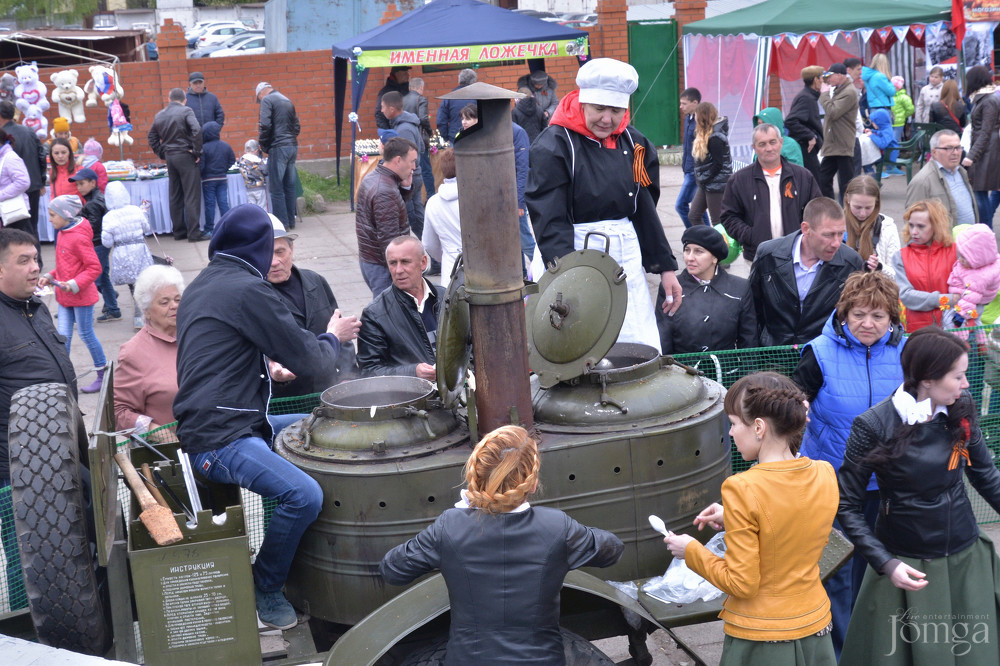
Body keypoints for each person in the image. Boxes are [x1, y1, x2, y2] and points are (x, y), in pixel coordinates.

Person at [173, 203, 348, 630]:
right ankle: (266, 584)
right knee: (304, 495)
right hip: (220, 438)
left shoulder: (206, 281)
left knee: (320, 423)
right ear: (258, 247)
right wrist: (333, 337)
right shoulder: (248, 289)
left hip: (234, 422)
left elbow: (223, 352)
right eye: (270, 248)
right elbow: (312, 362)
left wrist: (261, 368)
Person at [380, 425, 624, 665]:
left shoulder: (449, 526)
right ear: (532, 482)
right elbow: (612, 550)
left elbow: (392, 570)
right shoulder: (557, 526)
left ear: (475, 476)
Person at [837, 327, 1000, 665]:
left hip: (966, 556)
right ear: (927, 378)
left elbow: (985, 474)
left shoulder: (962, 406)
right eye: (958, 376)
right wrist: (886, 563)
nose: (966, 384)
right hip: (906, 567)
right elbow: (847, 505)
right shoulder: (872, 425)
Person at [664, 372, 838, 666]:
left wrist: (691, 551)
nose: (731, 433)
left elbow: (741, 583)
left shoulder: (742, 487)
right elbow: (790, 526)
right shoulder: (824, 473)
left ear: (759, 427)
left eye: (733, 424)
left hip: (762, 636)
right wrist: (734, 518)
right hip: (814, 623)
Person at [526, 58, 681, 352]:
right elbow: (549, 218)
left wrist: (666, 268)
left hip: (625, 254)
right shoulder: (554, 145)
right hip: (574, 250)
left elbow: (644, 207)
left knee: (635, 338)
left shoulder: (634, 144)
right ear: (583, 103)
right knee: (581, 337)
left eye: (616, 110)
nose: (607, 119)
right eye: (599, 109)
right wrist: (567, 278)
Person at [792, 271, 905, 657]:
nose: (867, 324)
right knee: (836, 573)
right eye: (858, 314)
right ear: (843, 314)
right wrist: (798, 411)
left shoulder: (906, 352)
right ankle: (838, 654)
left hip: (885, 485)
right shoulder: (819, 352)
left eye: (878, 316)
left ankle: (870, 648)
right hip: (831, 483)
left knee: (876, 572)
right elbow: (796, 401)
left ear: (893, 318)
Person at [0, 227, 77, 612]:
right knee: (27, 559)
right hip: (16, 472)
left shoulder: (36, 306)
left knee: (69, 549)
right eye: (23, 261)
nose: (36, 269)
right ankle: (22, 634)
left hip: (61, 456)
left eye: (36, 259)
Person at [266, 215, 360, 399]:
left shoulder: (314, 281)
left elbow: (340, 334)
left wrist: (348, 376)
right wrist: (271, 371)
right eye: (266, 253)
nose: (274, 261)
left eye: (280, 252)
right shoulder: (256, 296)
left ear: (291, 249)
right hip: (288, 399)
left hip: (329, 392)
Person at [749, 197, 865, 346]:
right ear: (806, 229)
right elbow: (751, 310)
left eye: (841, 233)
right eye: (828, 235)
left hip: (821, 355)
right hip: (772, 355)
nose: (836, 243)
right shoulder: (768, 254)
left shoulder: (851, 262)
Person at [721, 123, 821, 261]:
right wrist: (751, 236)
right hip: (757, 257)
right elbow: (729, 216)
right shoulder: (739, 180)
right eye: (762, 144)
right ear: (754, 148)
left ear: (781, 143)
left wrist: (803, 237)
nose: (768, 148)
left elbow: (817, 211)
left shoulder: (802, 177)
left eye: (772, 142)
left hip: (797, 254)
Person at [38, 195, 106, 394]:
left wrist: (74, 284)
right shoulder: (62, 232)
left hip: (81, 297)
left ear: (65, 215)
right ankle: (64, 378)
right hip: (64, 297)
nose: (49, 219)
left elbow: (95, 267)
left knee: (86, 334)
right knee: (63, 337)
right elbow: (65, 266)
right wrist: (49, 276)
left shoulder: (78, 237)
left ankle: (103, 374)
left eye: (52, 215)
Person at [654, 224, 757, 354]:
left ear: (715, 258)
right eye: (687, 250)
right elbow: (663, 337)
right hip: (682, 371)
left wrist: (747, 374)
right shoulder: (671, 287)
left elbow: (749, 341)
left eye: (699, 251)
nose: (690, 257)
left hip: (727, 372)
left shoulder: (740, 288)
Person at [459, 103, 534, 274]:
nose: (464, 122)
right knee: (507, 241)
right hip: (491, 197)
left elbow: (522, 169)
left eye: (469, 117)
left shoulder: (516, 132)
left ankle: (544, 271)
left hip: (511, 196)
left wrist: (519, 202)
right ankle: (521, 274)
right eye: (463, 118)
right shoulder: (478, 133)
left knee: (524, 239)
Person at [357, 236, 441, 379]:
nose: (398, 270)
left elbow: (470, 347)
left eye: (405, 262)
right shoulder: (375, 314)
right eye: (392, 263)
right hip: (414, 397)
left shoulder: (445, 297)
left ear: (423, 262)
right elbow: (369, 371)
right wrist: (413, 372)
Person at [114, 265, 183, 435]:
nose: (173, 306)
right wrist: (154, 431)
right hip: (172, 451)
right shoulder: (134, 353)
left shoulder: (196, 336)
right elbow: (118, 412)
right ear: (147, 312)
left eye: (178, 299)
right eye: (164, 302)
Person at [355, 136, 417, 297]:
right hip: (381, 266)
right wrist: (399, 268)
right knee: (389, 316)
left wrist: (405, 188)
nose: (414, 167)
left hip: (371, 260)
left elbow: (392, 213)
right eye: (412, 161)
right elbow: (389, 238)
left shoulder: (375, 177)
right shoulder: (385, 191)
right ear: (398, 160)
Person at [892, 199, 958, 332]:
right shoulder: (900, 256)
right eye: (911, 225)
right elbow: (906, 296)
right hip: (918, 330)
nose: (914, 232)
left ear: (936, 226)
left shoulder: (956, 251)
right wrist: (947, 299)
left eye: (921, 226)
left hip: (954, 328)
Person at [148, 87, 204, 243]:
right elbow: (197, 129)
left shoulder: (160, 115)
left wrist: (162, 153)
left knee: (175, 195)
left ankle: (179, 232)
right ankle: (194, 233)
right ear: (184, 100)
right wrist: (197, 152)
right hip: (185, 155)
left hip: (170, 157)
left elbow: (151, 137)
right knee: (191, 195)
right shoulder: (186, 111)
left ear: (169, 99)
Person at [101, 181, 153, 330]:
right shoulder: (136, 210)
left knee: (133, 284)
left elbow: (106, 242)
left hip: (122, 252)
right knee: (142, 282)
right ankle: (141, 314)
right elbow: (147, 228)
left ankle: (140, 315)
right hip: (139, 249)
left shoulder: (108, 217)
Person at [69, 167, 118, 324]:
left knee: (94, 278)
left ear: (92, 183)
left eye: (82, 183)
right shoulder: (94, 199)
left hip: (97, 244)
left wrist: (78, 220)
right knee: (102, 277)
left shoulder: (93, 203)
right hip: (100, 243)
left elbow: (92, 227)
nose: (79, 187)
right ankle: (113, 308)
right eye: (77, 184)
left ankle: (78, 309)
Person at [0, 101, 46, 265]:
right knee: (31, 226)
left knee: (17, 229)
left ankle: (25, 261)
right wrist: (41, 181)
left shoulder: (5, 137)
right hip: (33, 186)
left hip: (15, 188)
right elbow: (42, 155)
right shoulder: (28, 130)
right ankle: (36, 260)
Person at [906, 129, 978, 226]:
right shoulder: (922, 181)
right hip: (943, 240)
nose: (955, 152)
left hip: (968, 239)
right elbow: (912, 224)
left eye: (958, 147)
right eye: (948, 148)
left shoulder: (962, 172)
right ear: (934, 152)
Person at [381, 91, 425, 245]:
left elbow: (411, 156)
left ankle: (434, 258)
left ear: (392, 109)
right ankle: (435, 257)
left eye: (383, 107)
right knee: (417, 217)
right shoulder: (405, 124)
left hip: (410, 177)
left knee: (415, 220)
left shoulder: (404, 129)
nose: (382, 110)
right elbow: (421, 148)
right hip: (412, 176)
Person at [256, 82, 301, 231]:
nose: (260, 101)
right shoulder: (287, 100)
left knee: (276, 188)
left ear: (261, 92)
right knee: (289, 186)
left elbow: (265, 125)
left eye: (258, 98)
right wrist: (290, 139)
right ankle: (291, 221)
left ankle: (282, 224)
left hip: (278, 147)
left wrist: (263, 144)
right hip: (292, 146)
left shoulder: (267, 100)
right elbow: (297, 127)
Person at [946, 223, 1000, 343]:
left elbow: (970, 297)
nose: (960, 259)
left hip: (968, 305)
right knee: (976, 321)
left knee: (952, 323)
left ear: (977, 257)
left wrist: (960, 315)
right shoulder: (987, 263)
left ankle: (962, 343)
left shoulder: (978, 276)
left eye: (964, 257)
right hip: (975, 304)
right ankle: (982, 342)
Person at [960, 66, 1000, 227]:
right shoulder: (985, 97)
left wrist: (971, 156)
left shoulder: (989, 99)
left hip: (987, 151)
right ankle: (984, 229)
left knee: (979, 193)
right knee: (980, 193)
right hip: (986, 150)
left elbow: (986, 132)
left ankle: (985, 230)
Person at [842, 175, 900, 277]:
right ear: (847, 199)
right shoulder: (836, 225)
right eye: (857, 207)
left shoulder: (888, 228)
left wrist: (880, 267)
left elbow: (897, 276)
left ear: (876, 203)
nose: (863, 213)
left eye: (868, 207)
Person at [819, 63, 860, 203]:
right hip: (834, 144)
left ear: (840, 75)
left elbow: (833, 112)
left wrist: (824, 94)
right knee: (823, 178)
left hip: (842, 143)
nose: (828, 79)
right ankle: (830, 207)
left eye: (830, 76)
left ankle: (848, 211)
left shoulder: (849, 92)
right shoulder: (840, 89)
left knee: (846, 183)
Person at [689, 102, 732, 227]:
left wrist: (703, 177)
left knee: (717, 222)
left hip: (717, 185)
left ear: (702, 117)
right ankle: (705, 242)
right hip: (707, 183)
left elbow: (718, 164)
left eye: (696, 115)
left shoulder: (715, 138)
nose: (695, 118)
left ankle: (722, 245)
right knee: (694, 215)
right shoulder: (704, 135)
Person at [422, 148, 462, 280]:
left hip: (451, 270)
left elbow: (428, 244)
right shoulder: (476, 198)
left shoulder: (433, 203)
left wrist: (446, 254)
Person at [675, 87, 708, 228]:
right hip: (688, 169)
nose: (680, 107)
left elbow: (704, 149)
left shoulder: (700, 121)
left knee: (681, 205)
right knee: (698, 208)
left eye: (684, 103)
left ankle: (695, 234)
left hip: (694, 172)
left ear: (695, 102)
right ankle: (709, 235)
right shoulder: (689, 118)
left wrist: (697, 170)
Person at [786, 66, 826, 181]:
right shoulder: (806, 98)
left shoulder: (809, 96)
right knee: (815, 181)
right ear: (815, 80)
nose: (823, 81)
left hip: (808, 146)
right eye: (821, 78)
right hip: (805, 147)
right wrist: (810, 136)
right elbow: (791, 121)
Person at [199, 121, 235, 238]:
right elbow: (232, 160)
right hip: (222, 178)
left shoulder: (204, 148)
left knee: (210, 205)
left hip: (208, 180)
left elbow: (201, 166)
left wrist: (201, 174)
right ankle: (229, 227)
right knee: (223, 203)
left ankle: (209, 229)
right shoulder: (226, 146)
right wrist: (224, 169)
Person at [403, 76, 435, 196]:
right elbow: (423, 118)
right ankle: (431, 196)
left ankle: (410, 196)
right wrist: (430, 131)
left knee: (408, 169)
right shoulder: (421, 99)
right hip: (419, 139)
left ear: (410, 87)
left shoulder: (402, 99)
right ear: (421, 88)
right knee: (425, 169)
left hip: (405, 139)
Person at [436, 69, 476, 141]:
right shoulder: (479, 96)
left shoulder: (449, 98)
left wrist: (446, 137)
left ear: (459, 80)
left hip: (454, 137)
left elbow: (441, 120)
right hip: (476, 136)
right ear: (474, 81)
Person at [888, 76, 914, 170]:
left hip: (898, 123)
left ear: (898, 87)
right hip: (890, 123)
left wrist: (903, 116)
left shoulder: (903, 97)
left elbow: (910, 109)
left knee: (896, 142)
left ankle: (894, 163)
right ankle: (891, 162)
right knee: (891, 142)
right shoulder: (890, 96)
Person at [374, 66, 410, 130]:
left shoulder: (409, 89)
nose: (408, 75)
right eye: (404, 73)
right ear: (397, 74)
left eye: (407, 72)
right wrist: (389, 132)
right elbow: (379, 113)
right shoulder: (385, 92)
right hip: (393, 132)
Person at [238, 138, 268, 210]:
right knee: (262, 207)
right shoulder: (258, 160)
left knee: (252, 209)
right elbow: (265, 172)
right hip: (260, 188)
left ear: (245, 150)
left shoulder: (241, 160)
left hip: (249, 188)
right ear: (256, 150)